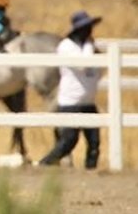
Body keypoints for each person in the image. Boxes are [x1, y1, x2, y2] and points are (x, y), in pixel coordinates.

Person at [39, 11, 104, 169]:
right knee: (68, 141)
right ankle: (45, 164)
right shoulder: (67, 47)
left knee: (94, 141)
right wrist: (90, 46)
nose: (90, 31)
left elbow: (98, 70)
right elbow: (83, 65)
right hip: (71, 102)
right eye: (87, 28)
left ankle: (91, 170)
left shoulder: (88, 49)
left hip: (88, 102)